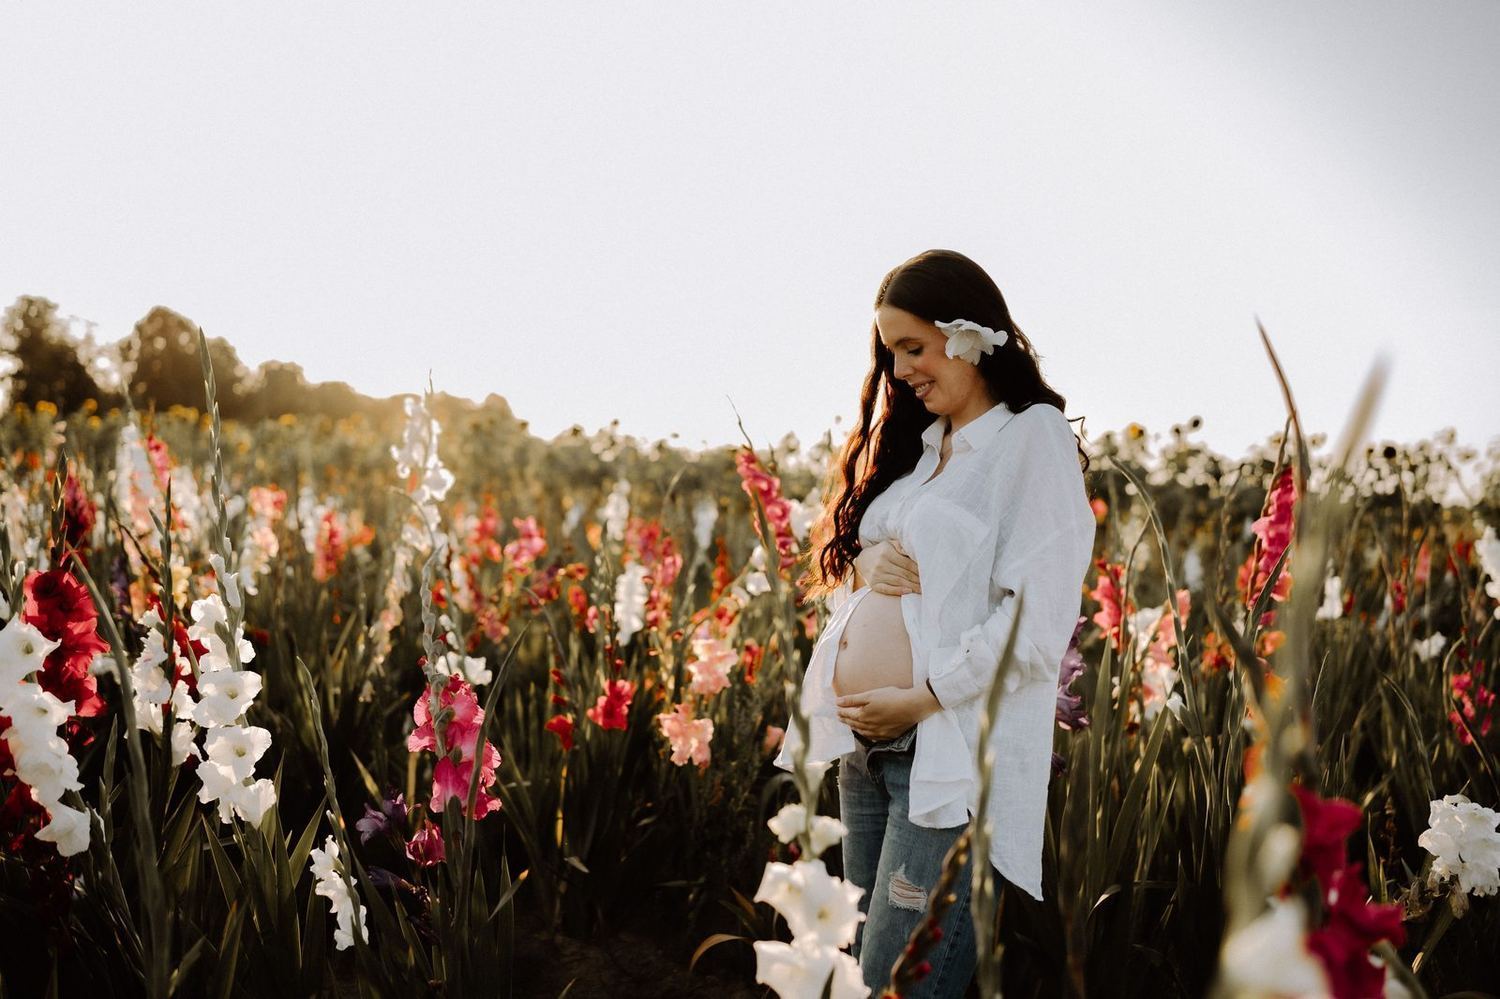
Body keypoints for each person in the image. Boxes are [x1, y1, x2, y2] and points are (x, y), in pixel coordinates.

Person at [774, 249, 1096, 997]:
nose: (900, 371)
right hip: (869, 751)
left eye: (913, 348)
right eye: (891, 354)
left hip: (943, 753)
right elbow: (862, 578)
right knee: (867, 976)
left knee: (899, 979)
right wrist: (866, 565)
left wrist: (919, 697)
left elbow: (1036, 620)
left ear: (969, 335)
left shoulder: (1030, 437)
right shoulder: (922, 452)